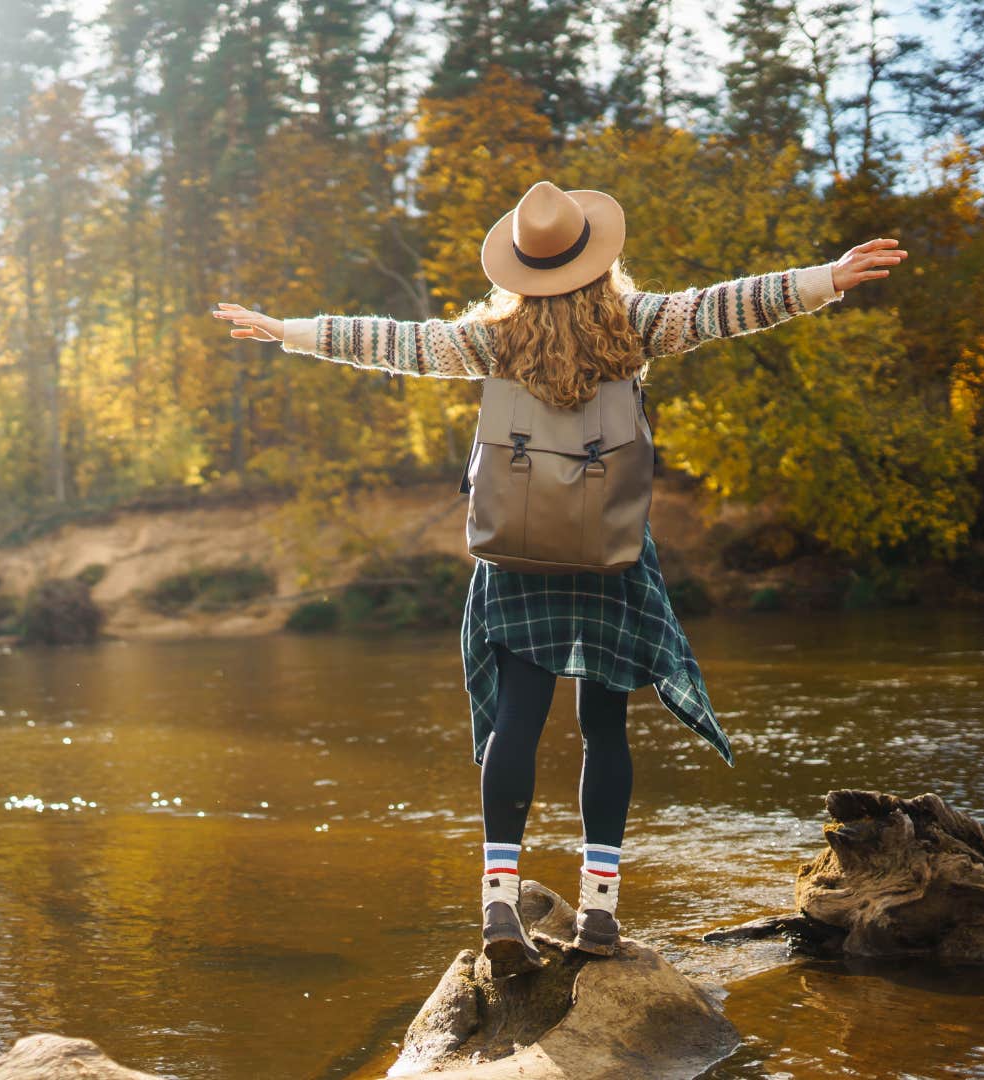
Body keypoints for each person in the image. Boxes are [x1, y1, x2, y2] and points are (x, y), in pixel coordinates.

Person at [211, 180, 906, 975]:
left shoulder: (491, 340)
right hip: (609, 551)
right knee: (604, 727)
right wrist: (825, 277)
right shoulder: (636, 324)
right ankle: (600, 916)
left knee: (516, 723)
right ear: (597, 257)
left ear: (521, 268)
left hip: (516, 552)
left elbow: (392, 341)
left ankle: (498, 903)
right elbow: (731, 305)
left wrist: (288, 330)